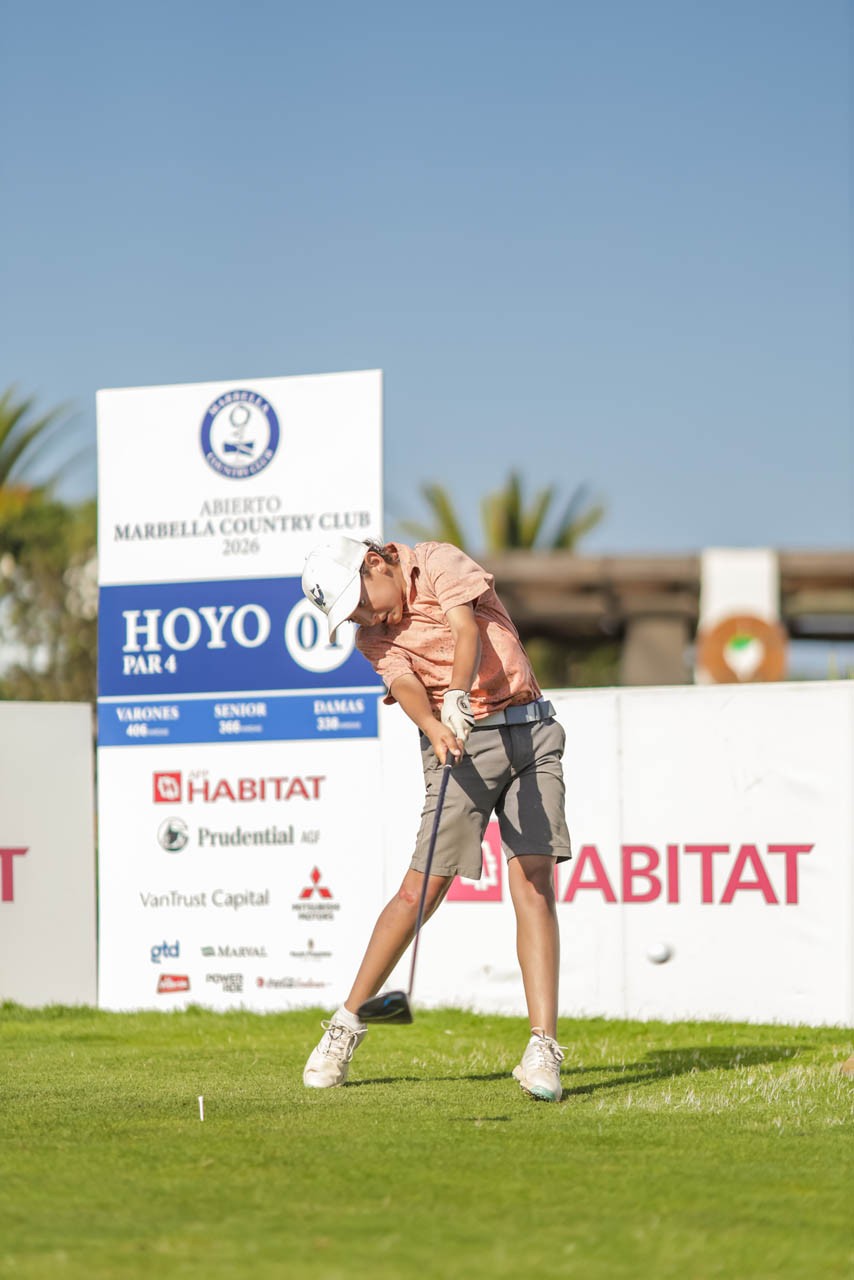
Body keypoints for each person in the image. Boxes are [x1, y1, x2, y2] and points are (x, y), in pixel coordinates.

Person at [299, 535, 572, 1101]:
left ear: (375, 563)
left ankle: (543, 1047)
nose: (363, 618)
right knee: (421, 889)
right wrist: (433, 724)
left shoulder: (437, 560)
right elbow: (402, 683)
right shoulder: (372, 637)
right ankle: (345, 1024)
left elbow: (466, 629)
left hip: (531, 731)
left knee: (535, 879)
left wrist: (456, 694)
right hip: (459, 746)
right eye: (352, 614)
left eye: (361, 602)